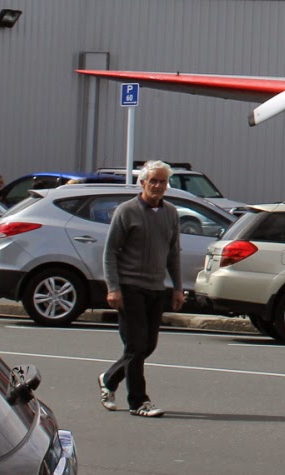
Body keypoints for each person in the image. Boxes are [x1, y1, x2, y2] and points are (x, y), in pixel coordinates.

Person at [99, 160, 183, 418]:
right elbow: (110, 252)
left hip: (155, 288)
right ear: (143, 183)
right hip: (130, 286)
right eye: (153, 181)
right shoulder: (126, 211)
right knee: (136, 345)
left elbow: (173, 253)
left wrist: (177, 288)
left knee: (147, 345)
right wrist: (113, 288)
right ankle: (139, 401)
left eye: (162, 181)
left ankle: (109, 379)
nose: (158, 186)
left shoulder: (170, 213)